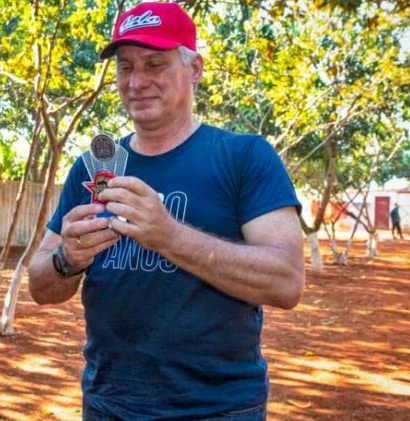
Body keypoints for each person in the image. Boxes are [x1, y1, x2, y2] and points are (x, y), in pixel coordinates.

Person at [27, 3, 305, 420]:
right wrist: (68, 259)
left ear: (194, 69)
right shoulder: (92, 168)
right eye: (125, 67)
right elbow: (40, 285)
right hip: (108, 405)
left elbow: (286, 282)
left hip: (218, 409)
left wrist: (169, 236)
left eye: (155, 64)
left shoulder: (244, 156)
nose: (137, 82)